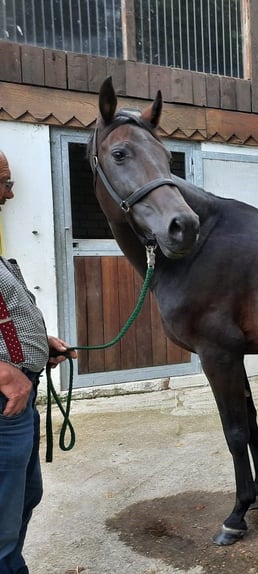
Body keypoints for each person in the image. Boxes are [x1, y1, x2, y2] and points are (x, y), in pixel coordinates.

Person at [0, 150, 76, 574]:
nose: (10, 195)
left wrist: (36, 343)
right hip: (4, 400)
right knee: (2, 515)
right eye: (4, 183)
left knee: (23, 496)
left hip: (18, 397)